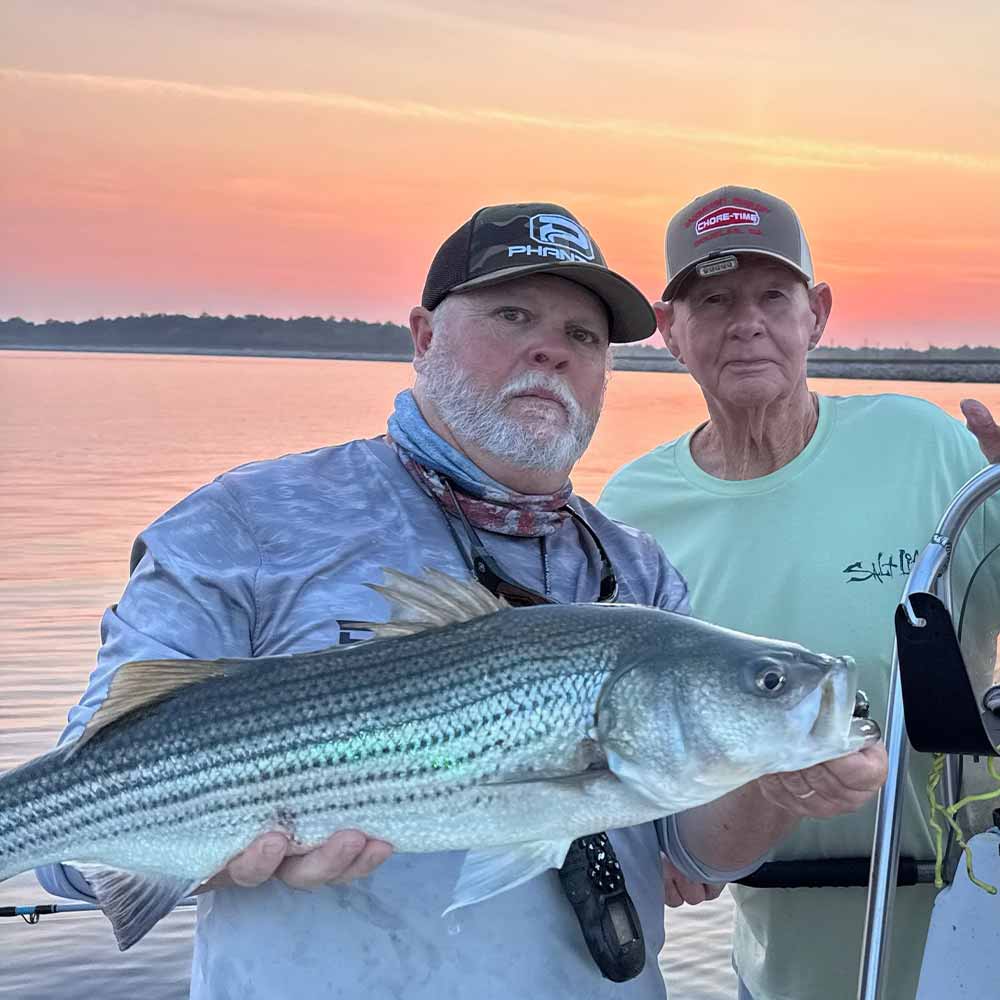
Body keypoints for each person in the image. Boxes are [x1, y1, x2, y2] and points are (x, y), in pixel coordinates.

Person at [38, 201, 887, 999]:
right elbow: (70, 848)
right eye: (513, 316)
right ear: (422, 336)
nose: (551, 350)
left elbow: (690, 857)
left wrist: (777, 787)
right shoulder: (249, 521)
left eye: (582, 335)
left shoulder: (636, 573)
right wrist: (215, 837)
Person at [598, 185, 1000, 1000]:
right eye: (712, 299)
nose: (746, 322)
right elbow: (619, 728)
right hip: (775, 946)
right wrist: (648, 841)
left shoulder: (920, 443)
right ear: (670, 328)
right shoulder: (632, 510)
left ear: (815, 313)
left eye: (771, 296)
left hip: (971, 908)